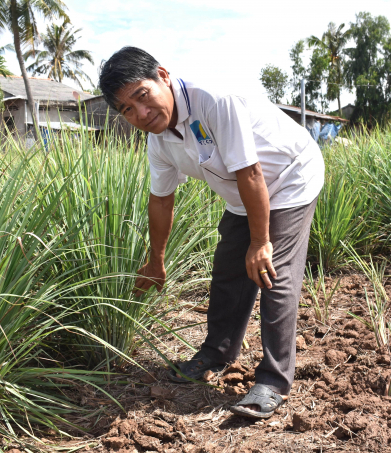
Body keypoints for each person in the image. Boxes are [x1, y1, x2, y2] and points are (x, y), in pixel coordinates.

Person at [98, 47, 324, 419]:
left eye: (142, 96)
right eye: (126, 109)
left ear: (163, 76)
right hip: (244, 192)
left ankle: (273, 380)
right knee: (227, 273)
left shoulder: (214, 100)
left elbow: (251, 172)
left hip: (289, 176)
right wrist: (156, 260)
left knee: (272, 274)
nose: (140, 113)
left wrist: (259, 242)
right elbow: (160, 201)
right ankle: (215, 354)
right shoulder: (159, 140)